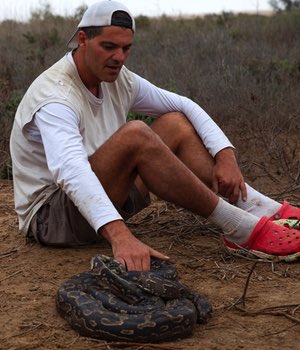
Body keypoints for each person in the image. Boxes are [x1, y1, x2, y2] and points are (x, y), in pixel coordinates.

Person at [10, 0, 300, 271]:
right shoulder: (56, 96)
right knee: (136, 134)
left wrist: (226, 155)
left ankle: (260, 207)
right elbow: (70, 171)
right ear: (83, 40)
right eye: (109, 47)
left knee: (174, 122)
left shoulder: (117, 79)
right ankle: (240, 227)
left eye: (126, 48)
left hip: (106, 198)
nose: (119, 58)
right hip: (53, 219)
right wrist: (120, 236)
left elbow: (183, 104)